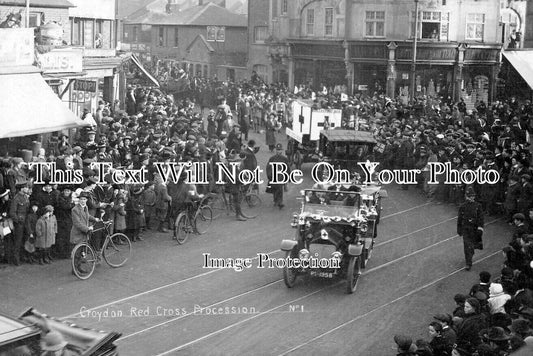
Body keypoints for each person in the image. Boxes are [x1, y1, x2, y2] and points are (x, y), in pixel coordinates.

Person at [457, 187, 484, 271]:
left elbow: (481, 218)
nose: (471, 198)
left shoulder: (478, 206)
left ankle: (471, 253)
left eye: (472, 196)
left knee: (471, 245)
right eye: (469, 196)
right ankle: (468, 263)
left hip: (474, 229)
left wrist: (480, 228)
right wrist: (459, 229)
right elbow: (460, 218)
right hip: (466, 228)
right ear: (466, 196)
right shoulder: (462, 206)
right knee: (467, 246)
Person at [8, 181, 30, 266]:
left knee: (24, 240)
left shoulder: (25, 197)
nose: (27, 189)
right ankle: (16, 259)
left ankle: (22, 257)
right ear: (22, 188)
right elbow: (12, 212)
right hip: (19, 223)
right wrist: (18, 220)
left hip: (25, 222)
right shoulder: (16, 198)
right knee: (18, 241)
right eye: (26, 187)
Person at [267, 143, 289, 209]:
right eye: (277, 150)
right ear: (276, 150)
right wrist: (269, 176)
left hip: (281, 177)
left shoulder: (284, 159)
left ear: (281, 151)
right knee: (275, 189)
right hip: (274, 176)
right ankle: (276, 200)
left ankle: (280, 202)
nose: (278, 151)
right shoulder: (272, 158)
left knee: (280, 189)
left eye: (280, 150)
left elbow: (287, 168)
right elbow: (268, 167)